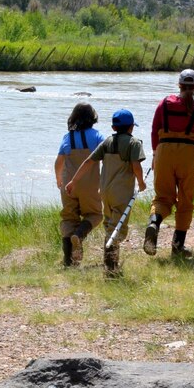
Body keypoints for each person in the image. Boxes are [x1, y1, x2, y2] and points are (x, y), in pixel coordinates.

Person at [65, 109, 147, 278]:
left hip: (105, 192)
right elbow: (136, 166)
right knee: (118, 229)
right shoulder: (134, 143)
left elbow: (88, 161)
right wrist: (141, 182)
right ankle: (111, 269)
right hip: (121, 192)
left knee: (110, 225)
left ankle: (109, 266)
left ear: (113, 127)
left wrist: (74, 180)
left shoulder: (107, 142)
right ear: (131, 127)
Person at [143, 68, 194, 259]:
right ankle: (177, 246)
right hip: (188, 154)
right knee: (185, 201)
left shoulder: (164, 104)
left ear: (179, 85)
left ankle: (154, 223)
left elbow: (153, 130)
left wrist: (156, 154)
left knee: (162, 198)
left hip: (164, 152)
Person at [53, 103, 104, 267]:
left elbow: (59, 162)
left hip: (68, 184)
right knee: (95, 215)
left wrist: (58, 179)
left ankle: (68, 261)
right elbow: (108, 155)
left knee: (68, 218)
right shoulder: (97, 136)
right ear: (92, 118)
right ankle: (79, 235)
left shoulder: (67, 137)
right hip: (89, 184)